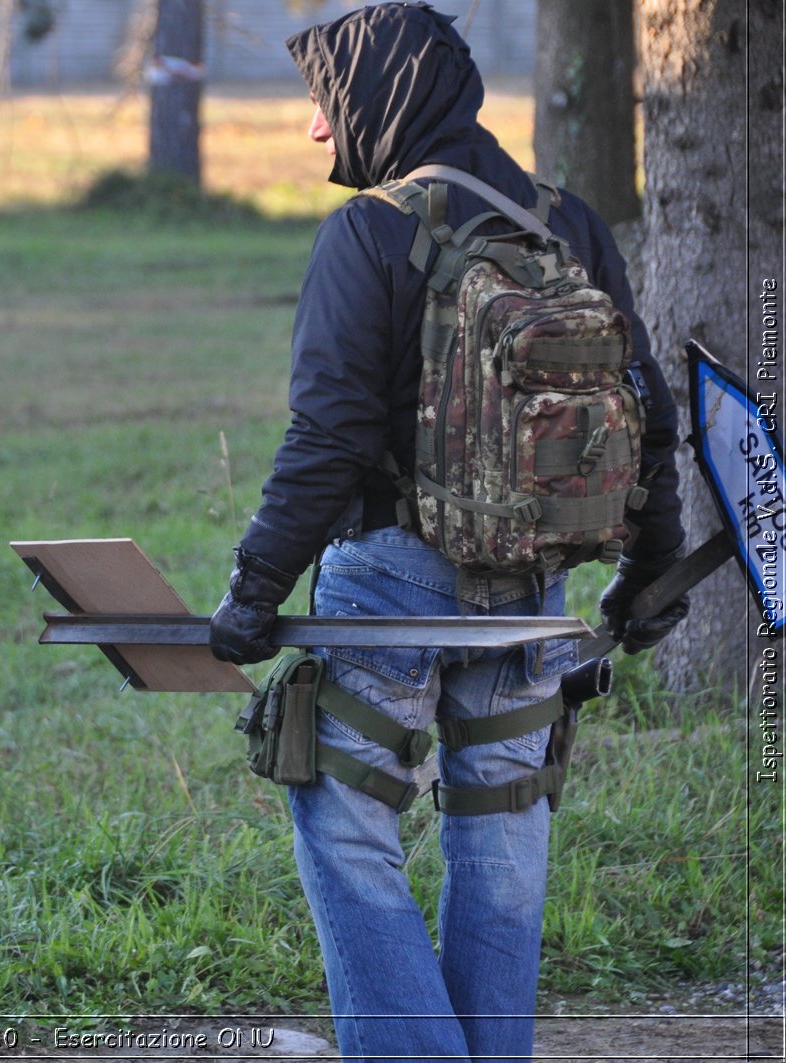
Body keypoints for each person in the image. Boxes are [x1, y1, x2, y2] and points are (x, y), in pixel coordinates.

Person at [206, 5, 689, 1060]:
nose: (315, 134)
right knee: (505, 829)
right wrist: (652, 570)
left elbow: (327, 434)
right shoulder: (570, 223)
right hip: (534, 595)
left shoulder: (370, 230)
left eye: (323, 108)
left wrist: (252, 591)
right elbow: (642, 408)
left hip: (390, 589)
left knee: (345, 827)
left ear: (380, 98)